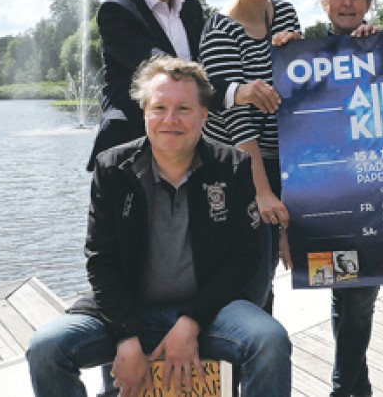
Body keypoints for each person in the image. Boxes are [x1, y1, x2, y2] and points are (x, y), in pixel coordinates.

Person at [28, 56, 291, 397]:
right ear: (145, 113)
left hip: (210, 313)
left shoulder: (232, 167)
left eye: (183, 108)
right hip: (127, 308)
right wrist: (125, 335)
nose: (170, 119)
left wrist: (190, 323)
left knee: (269, 341)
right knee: (46, 348)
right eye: (159, 107)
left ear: (204, 115)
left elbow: (243, 259)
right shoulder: (112, 169)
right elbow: (100, 259)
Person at [87, 0, 279, 171]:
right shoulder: (116, 11)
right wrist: (236, 91)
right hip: (130, 153)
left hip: (188, 149)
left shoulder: (192, 9)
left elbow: (208, 65)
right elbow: (166, 71)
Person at [199, 0, 301, 312]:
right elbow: (237, 123)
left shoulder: (286, 13)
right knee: (253, 276)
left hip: (283, 160)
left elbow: (299, 87)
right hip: (240, 169)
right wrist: (262, 192)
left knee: (273, 264)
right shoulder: (220, 31)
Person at [317, 0, 380, 397]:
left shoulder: (382, 47)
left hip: (376, 193)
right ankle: (355, 387)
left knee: (361, 297)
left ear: (368, 5)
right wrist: (285, 49)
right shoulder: (303, 53)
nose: (347, 2)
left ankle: (346, 386)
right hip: (327, 200)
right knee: (343, 292)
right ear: (325, 2)